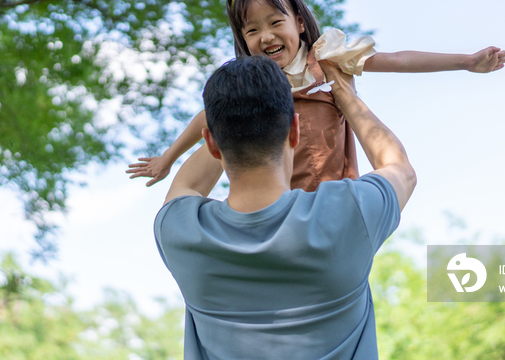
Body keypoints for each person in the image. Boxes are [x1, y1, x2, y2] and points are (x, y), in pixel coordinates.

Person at [127, 0, 505, 191]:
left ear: (297, 19)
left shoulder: (326, 58)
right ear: (242, 39)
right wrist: (168, 157)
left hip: (331, 189)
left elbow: (396, 60)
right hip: (275, 192)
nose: (266, 37)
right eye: (252, 30)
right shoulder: (254, 81)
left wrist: (466, 62)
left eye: (276, 22)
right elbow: (207, 118)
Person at [155, 55, 416, 359]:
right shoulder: (348, 212)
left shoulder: (179, 230)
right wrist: (343, 92)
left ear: (212, 144)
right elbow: (400, 169)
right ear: (295, 130)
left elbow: (189, 184)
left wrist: (232, 115)